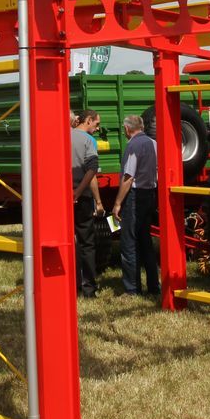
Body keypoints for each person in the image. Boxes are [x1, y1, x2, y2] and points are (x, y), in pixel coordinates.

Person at [113, 114, 160, 297]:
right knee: (145, 241)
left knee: (129, 243)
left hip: (134, 196)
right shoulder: (153, 144)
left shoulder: (133, 146)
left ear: (127, 129)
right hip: (149, 194)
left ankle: (132, 288)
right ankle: (153, 286)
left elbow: (128, 177)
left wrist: (117, 203)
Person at [70, 110, 105, 299]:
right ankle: (89, 289)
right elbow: (91, 170)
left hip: (61, 197)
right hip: (81, 197)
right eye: (96, 124)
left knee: (67, 243)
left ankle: (70, 283)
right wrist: (94, 199)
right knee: (87, 244)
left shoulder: (63, 134)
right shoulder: (88, 141)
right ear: (88, 120)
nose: (97, 128)